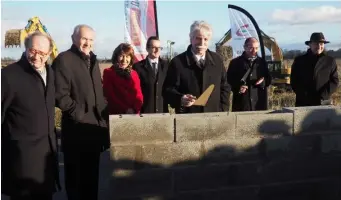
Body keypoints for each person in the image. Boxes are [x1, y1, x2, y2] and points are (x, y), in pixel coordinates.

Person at [52, 24, 109, 200]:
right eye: (84, 38)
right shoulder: (64, 60)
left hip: (94, 130)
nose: (87, 43)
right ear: (73, 38)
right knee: (76, 182)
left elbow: (97, 94)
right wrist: (78, 113)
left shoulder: (93, 60)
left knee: (91, 181)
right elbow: (59, 95)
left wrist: (103, 120)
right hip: (76, 131)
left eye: (91, 39)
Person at [2, 31, 60, 200]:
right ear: (26, 49)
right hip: (22, 161)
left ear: (49, 54)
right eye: (33, 51)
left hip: (46, 160)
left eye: (42, 53)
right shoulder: (8, 76)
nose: (37, 57)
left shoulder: (50, 73)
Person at [162, 20, 231, 113]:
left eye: (205, 39)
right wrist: (180, 99)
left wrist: (223, 110)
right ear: (191, 38)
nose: (202, 43)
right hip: (187, 119)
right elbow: (167, 90)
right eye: (198, 38)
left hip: (214, 118)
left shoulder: (217, 60)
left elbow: (225, 87)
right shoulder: (177, 62)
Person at [290, 32, 339, 106]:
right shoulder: (299, 61)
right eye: (316, 43)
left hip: (323, 103)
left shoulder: (330, 61)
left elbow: (334, 81)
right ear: (310, 44)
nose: (319, 46)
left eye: (321, 44)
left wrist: (323, 95)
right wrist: (304, 95)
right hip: (303, 103)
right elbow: (294, 81)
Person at [226, 37, 272, 112]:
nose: (254, 51)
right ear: (245, 47)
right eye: (251, 48)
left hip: (259, 104)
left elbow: (269, 79)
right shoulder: (235, 63)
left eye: (256, 48)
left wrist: (263, 82)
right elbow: (228, 81)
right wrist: (238, 87)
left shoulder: (262, 62)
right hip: (242, 104)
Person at [103, 43, 143, 115]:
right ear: (116, 57)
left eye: (127, 56)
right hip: (117, 114)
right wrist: (126, 109)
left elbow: (138, 94)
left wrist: (135, 109)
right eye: (121, 56)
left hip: (134, 114)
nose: (124, 60)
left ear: (131, 58)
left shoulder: (134, 73)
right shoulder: (108, 72)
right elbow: (110, 95)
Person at [133, 36, 169, 113]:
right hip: (144, 112)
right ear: (147, 48)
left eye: (159, 48)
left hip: (162, 112)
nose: (157, 50)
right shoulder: (137, 67)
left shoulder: (167, 66)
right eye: (154, 47)